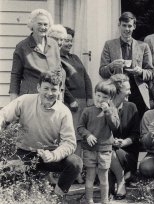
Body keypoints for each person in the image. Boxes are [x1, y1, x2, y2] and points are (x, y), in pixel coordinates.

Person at [0, 70, 82, 197]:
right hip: (24, 152)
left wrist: (53, 155)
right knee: (9, 175)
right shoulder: (24, 101)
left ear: (60, 91)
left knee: (75, 163)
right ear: (38, 87)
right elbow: (3, 115)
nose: (49, 93)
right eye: (46, 88)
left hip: (48, 155)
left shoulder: (64, 112)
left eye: (54, 89)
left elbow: (70, 143)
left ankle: (56, 197)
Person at [99, 12, 153, 118]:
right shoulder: (109, 45)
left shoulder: (143, 46)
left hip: (137, 90)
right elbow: (102, 72)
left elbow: (150, 72)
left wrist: (141, 71)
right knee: (116, 122)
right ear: (119, 25)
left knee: (137, 124)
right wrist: (111, 66)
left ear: (134, 27)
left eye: (129, 26)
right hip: (116, 90)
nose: (127, 29)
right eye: (124, 25)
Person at [78, 80, 120, 204]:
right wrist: (88, 135)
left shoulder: (112, 110)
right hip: (89, 149)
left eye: (105, 97)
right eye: (98, 95)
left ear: (110, 98)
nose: (100, 99)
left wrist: (107, 111)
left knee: (103, 177)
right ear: (94, 94)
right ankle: (89, 200)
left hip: (105, 149)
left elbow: (115, 127)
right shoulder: (87, 111)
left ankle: (104, 200)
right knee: (90, 176)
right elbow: (80, 127)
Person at [60, 26, 93, 183]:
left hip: (82, 102)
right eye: (66, 40)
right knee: (71, 137)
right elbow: (60, 84)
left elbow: (86, 77)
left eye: (70, 40)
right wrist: (70, 99)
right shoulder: (56, 59)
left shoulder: (75, 58)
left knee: (80, 137)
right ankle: (71, 171)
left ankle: (77, 171)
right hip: (69, 103)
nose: (68, 43)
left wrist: (90, 98)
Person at [9, 9, 61, 101]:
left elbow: (58, 71)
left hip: (51, 95)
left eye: (45, 24)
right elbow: (15, 75)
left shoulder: (54, 44)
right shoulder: (22, 46)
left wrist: (59, 92)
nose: (43, 27)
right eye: (39, 24)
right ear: (32, 25)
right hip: (30, 96)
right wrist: (13, 97)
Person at [107, 74, 140, 200]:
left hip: (127, 153)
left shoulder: (131, 107)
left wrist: (123, 142)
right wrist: (110, 141)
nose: (130, 92)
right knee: (108, 150)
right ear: (116, 91)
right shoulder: (105, 108)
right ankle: (121, 179)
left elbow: (136, 135)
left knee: (110, 152)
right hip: (107, 150)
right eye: (127, 89)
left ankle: (120, 180)